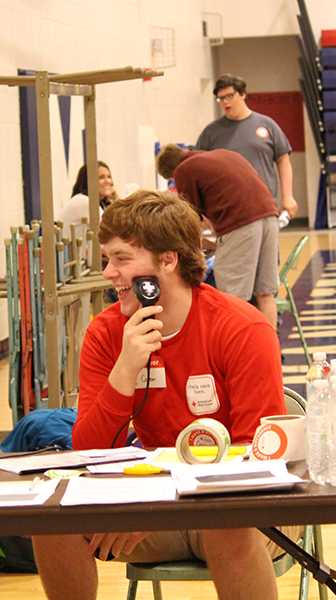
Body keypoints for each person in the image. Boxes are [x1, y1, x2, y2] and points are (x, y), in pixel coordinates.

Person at [31, 190, 293, 600]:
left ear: (167, 261)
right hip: (155, 502)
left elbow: (255, 463)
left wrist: (162, 503)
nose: (108, 273)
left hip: (238, 505)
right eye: (106, 260)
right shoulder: (106, 334)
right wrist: (125, 370)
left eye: (121, 259)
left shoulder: (241, 329)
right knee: (50, 518)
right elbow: (89, 451)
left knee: (228, 525)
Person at [156, 143, 279, 328]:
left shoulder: (183, 169)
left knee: (233, 297)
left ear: (171, 172)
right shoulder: (223, 154)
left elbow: (189, 217)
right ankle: (271, 351)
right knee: (265, 293)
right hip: (269, 216)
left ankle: (238, 352)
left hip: (241, 222)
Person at [196, 73, 298, 219]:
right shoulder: (211, 133)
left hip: (266, 206)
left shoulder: (267, 124)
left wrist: (288, 196)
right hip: (229, 210)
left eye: (230, 96)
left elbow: (283, 160)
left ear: (243, 94)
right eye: (221, 98)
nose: (225, 102)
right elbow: (198, 169)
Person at [60, 160, 119, 237]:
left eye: (109, 177)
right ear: (88, 181)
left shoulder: (97, 202)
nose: (107, 181)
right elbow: (114, 231)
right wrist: (117, 203)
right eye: (101, 177)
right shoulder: (85, 201)